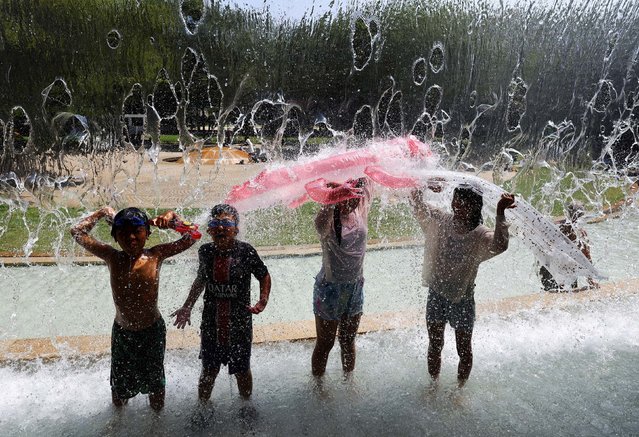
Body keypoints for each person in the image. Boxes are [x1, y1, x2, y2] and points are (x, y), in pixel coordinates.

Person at [70, 206, 198, 410]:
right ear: (114, 236)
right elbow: (76, 231)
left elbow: (194, 235)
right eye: (123, 233)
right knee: (119, 388)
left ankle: (156, 426)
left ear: (147, 233)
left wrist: (172, 219)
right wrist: (102, 213)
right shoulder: (112, 256)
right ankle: (119, 423)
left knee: (156, 385)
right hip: (123, 332)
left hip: (152, 332)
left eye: (137, 231)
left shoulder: (156, 255)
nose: (131, 238)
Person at [411, 182, 516, 387]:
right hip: (437, 294)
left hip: (463, 299)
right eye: (455, 200)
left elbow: (500, 245)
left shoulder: (479, 235)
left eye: (463, 202)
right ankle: (433, 385)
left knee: (464, 349)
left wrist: (500, 212)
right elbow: (416, 204)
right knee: (435, 344)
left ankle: (459, 390)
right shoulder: (442, 221)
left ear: (474, 206)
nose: (456, 205)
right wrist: (424, 186)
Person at [172, 204, 271, 402]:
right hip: (211, 323)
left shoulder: (246, 251)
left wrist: (263, 299)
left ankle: (246, 406)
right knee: (209, 370)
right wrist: (187, 306)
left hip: (239, 324)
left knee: (242, 370)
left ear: (236, 228)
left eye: (226, 223)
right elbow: (201, 280)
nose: (221, 228)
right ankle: (202, 408)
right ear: (209, 229)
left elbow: (264, 275)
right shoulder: (206, 252)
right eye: (215, 223)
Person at [311, 177, 372, 377]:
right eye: (347, 197)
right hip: (330, 289)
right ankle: (318, 387)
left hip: (355, 287)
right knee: (326, 343)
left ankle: (348, 382)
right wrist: (334, 194)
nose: (353, 202)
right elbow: (319, 224)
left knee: (348, 341)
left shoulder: (361, 209)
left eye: (356, 197)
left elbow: (369, 177)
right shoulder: (327, 218)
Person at [539, 201, 599, 291]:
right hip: (553, 272)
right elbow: (587, 258)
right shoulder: (564, 230)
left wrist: (590, 280)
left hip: (565, 272)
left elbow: (586, 258)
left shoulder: (564, 230)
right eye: (578, 214)